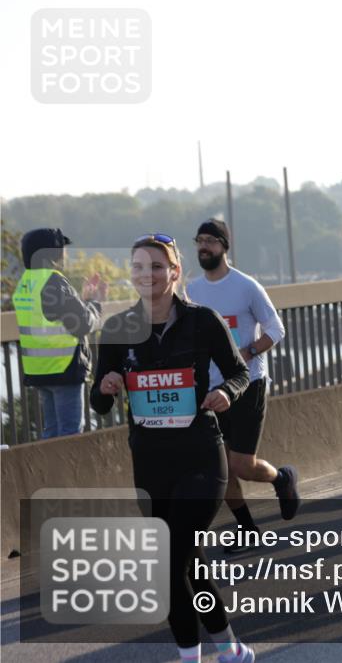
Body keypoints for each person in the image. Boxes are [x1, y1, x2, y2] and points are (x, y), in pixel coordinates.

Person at [90, 234, 254, 663]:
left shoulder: (203, 321)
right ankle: (231, 649)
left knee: (167, 561)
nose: (147, 275)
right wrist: (106, 386)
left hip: (201, 455)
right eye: (138, 267)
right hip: (151, 463)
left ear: (175, 272)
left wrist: (228, 393)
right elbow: (99, 401)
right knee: (189, 563)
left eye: (157, 266)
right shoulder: (117, 329)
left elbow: (239, 373)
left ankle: (190, 656)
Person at [185, 218, 297, 553]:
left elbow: (275, 329)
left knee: (241, 465)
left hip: (248, 383)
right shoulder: (192, 291)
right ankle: (247, 529)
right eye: (199, 240)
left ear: (224, 246)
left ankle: (282, 479)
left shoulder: (246, 286)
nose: (203, 246)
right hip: (210, 389)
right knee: (219, 466)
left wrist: (246, 352)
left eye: (210, 240)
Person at [13, 228, 104, 439]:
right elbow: (82, 324)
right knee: (70, 435)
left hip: (39, 370)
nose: (64, 254)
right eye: (62, 249)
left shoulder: (26, 282)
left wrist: (82, 300)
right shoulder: (54, 281)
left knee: (52, 433)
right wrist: (94, 303)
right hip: (64, 368)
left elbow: (54, 315)